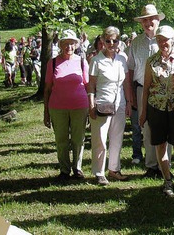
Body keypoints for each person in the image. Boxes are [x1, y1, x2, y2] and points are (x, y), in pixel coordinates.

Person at [126, 4, 174, 176]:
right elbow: (130, 70)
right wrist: (131, 96)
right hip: (143, 90)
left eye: (151, 19)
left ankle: (166, 166)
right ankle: (151, 166)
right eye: (145, 20)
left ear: (158, 20)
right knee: (147, 128)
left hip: (169, 90)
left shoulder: (171, 40)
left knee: (169, 127)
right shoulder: (135, 43)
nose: (148, 23)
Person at [139, 26, 174, 196]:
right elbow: (146, 88)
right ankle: (167, 179)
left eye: (165, 39)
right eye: (159, 39)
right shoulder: (151, 61)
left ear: (173, 40)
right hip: (156, 108)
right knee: (160, 145)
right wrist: (143, 112)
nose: (162, 43)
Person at [43, 29, 90, 180]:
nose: (69, 46)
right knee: (61, 140)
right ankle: (64, 170)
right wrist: (46, 112)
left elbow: (88, 86)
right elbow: (48, 88)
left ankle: (77, 168)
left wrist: (91, 107)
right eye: (66, 43)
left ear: (76, 45)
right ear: (61, 44)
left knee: (78, 139)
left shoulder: (82, 61)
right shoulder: (53, 62)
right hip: (57, 108)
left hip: (80, 106)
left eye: (72, 43)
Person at [87, 26, 131, 185]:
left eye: (115, 40)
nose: (112, 43)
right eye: (108, 41)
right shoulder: (96, 61)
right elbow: (91, 85)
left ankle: (114, 169)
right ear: (102, 42)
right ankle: (99, 172)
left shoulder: (122, 59)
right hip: (102, 103)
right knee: (99, 139)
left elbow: (126, 83)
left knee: (117, 138)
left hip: (119, 103)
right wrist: (91, 104)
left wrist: (129, 102)